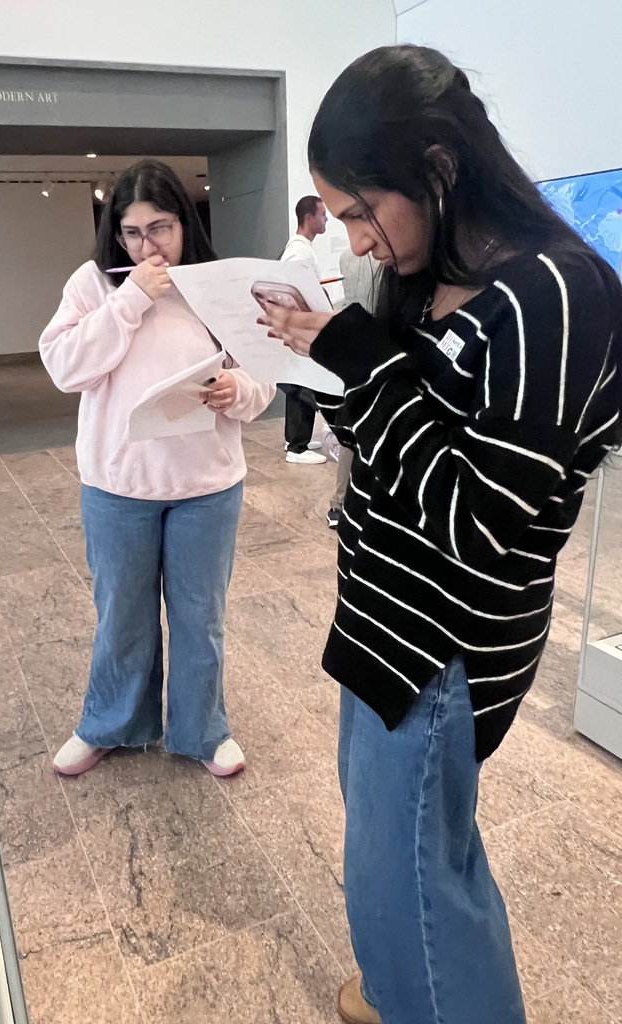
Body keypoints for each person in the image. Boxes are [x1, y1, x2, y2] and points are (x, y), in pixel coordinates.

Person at [258, 45, 622, 1024]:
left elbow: (480, 523)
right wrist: (325, 353)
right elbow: (394, 434)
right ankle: (394, 990)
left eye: (361, 212)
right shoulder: (432, 274)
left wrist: (352, 355)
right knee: (403, 861)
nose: (361, 243)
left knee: (420, 890)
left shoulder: (557, 291)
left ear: (439, 165)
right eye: (339, 220)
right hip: (381, 618)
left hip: (443, 644)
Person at [40, 159, 274, 779]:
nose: (148, 245)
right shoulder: (94, 284)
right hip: (118, 483)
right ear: (117, 235)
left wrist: (237, 391)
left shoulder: (215, 286)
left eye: (161, 228)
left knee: (201, 615)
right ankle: (109, 723)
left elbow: (262, 376)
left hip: (207, 484)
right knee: (123, 613)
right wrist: (130, 299)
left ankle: (202, 729)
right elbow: (66, 368)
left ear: (185, 224)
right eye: (133, 232)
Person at [326, 250, 381, 528]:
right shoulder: (379, 261)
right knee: (357, 434)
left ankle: (339, 503)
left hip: (356, 352)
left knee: (353, 432)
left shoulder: (348, 258)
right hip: (373, 351)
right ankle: (342, 503)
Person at [279, 196, 328, 465]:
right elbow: (291, 289)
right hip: (300, 327)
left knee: (300, 381)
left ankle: (296, 439)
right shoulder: (300, 251)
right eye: (322, 215)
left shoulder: (300, 248)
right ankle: (297, 447)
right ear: (309, 217)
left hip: (299, 326)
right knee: (302, 383)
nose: (326, 220)